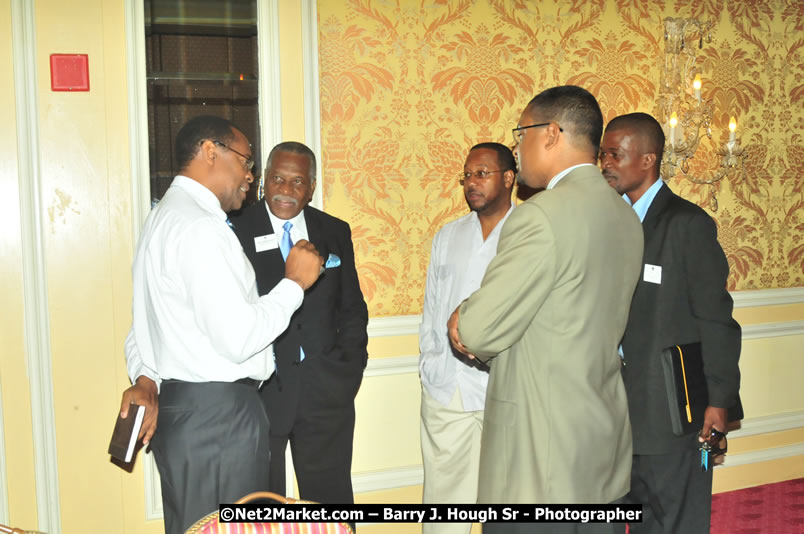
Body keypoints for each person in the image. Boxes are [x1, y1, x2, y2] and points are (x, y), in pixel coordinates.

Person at [447, 85, 644, 534]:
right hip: (601, 439)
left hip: (537, 459)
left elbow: (477, 330)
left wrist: (462, 316)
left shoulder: (540, 215)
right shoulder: (626, 216)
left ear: (552, 133)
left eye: (521, 134)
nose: (517, 148)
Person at [119, 116, 323, 534]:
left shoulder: (163, 217)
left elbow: (143, 326)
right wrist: (294, 284)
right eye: (246, 162)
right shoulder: (200, 227)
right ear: (211, 151)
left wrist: (146, 377)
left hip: (188, 412)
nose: (250, 177)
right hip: (219, 420)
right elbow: (238, 338)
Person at [600, 112, 741, 534]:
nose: (605, 163)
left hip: (672, 414)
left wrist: (719, 401)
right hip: (613, 411)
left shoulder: (687, 224)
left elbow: (716, 320)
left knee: (675, 523)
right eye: (603, 154)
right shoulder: (607, 222)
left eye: (615, 154)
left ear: (648, 160)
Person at [230, 141, 368, 505]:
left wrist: (348, 370)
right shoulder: (235, 230)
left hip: (326, 392)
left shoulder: (334, 230)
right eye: (278, 179)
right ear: (264, 180)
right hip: (261, 393)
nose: (286, 190)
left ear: (312, 187)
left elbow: (352, 309)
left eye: (297, 182)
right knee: (261, 506)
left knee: (331, 505)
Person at [419, 143, 516, 534]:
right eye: (467, 175)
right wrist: (430, 365)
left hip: (506, 393)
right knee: (444, 511)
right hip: (447, 393)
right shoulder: (449, 235)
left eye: (482, 173)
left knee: (508, 505)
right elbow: (432, 309)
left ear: (508, 178)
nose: (471, 182)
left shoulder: (529, 234)